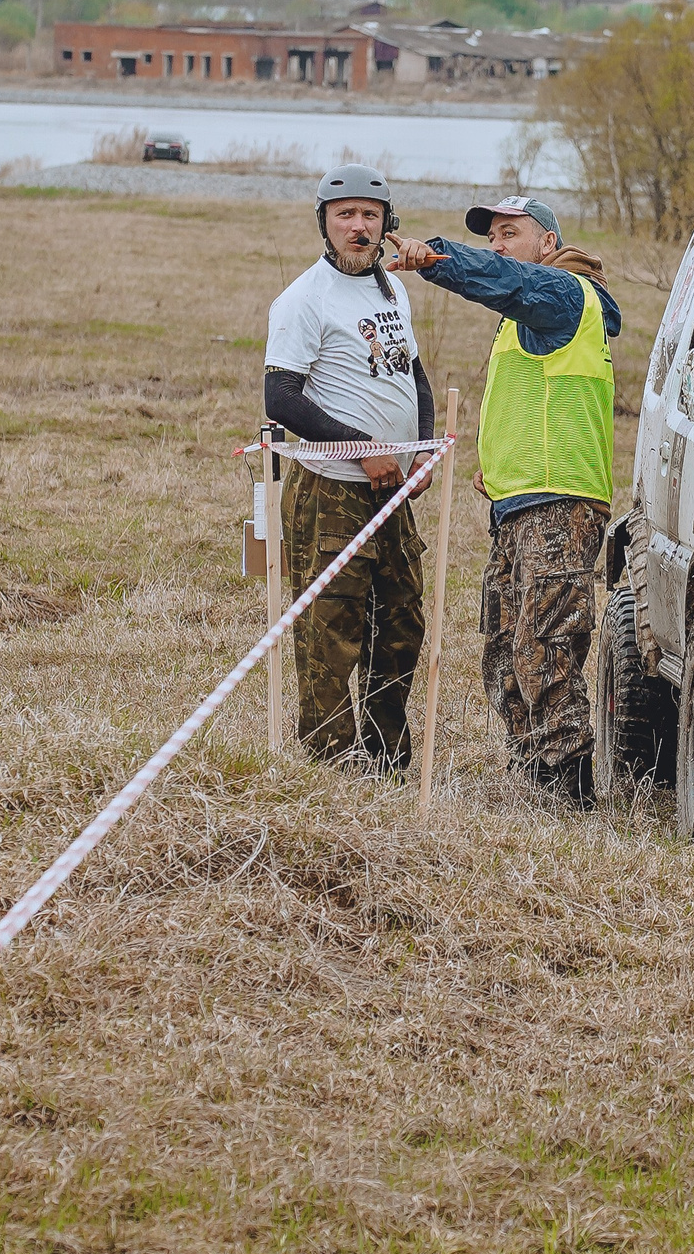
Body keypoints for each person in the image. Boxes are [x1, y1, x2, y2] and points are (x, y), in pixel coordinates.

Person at [387, 195, 619, 803]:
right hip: (517, 504)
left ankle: (567, 791)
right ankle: (535, 774)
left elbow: (502, 280)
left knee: (546, 647)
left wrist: (435, 259)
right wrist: (495, 462)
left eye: (509, 233)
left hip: (560, 503)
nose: (498, 245)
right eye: (491, 236)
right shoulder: (526, 317)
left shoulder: (565, 295)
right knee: (502, 650)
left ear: (548, 244)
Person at [264, 165, 438, 770]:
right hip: (332, 489)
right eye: (346, 216)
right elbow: (281, 399)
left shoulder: (392, 289)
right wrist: (360, 446)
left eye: (370, 215)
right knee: (330, 628)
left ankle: (387, 756)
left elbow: (412, 372)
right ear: (325, 224)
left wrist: (420, 450)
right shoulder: (303, 299)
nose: (359, 228)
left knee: (401, 623)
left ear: (387, 222)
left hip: (392, 488)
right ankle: (330, 764)